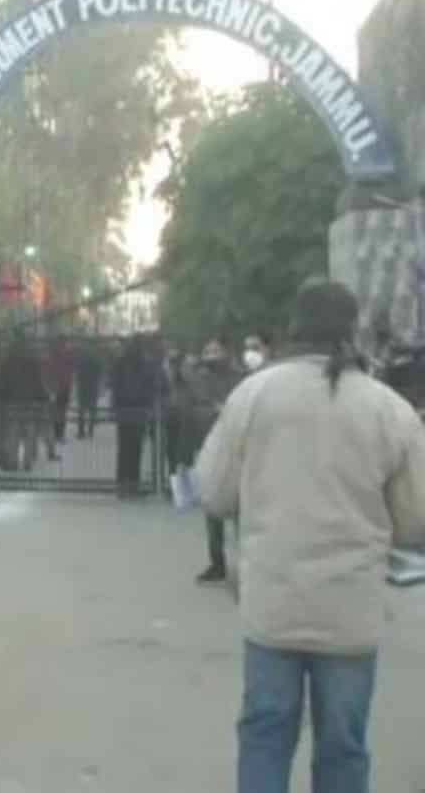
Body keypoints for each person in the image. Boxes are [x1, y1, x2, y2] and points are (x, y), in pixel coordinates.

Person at [196, 280, 425, 793]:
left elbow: (213, 490)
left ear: (293, 326)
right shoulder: (388, 409)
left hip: (273, 608)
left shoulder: (254, 396)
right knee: (343, 747)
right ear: (352, 329)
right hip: (350, 612)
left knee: (265, 735)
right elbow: (415, 518)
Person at [192, 338, 243, 584]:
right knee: (212, 509)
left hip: (238, 451)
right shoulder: (200, 379)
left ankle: (247, 562)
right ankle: (217, 562)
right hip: (212, 449)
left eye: (216, 350)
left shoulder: (239, 378)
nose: (213, 355)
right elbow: (195, 411)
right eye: (209, 350)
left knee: (242, 510)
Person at [109, 334, 156, 499]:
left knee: (125, 448)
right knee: (134, 448)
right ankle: (131, 485)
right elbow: (150, 386)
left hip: (126, 409)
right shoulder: (144, 362)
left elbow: (114, 385)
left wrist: (114, 407)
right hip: (137, 409)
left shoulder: (121, 361)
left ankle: (123, 486)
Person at [46, 336, 76, 444]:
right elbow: (71, 369)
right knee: (61, 411)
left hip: (57, 386)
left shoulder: (53, 354)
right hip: (63, 386)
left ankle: (56, 434)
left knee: (57, 411)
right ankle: (59, 434)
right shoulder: (67, 354)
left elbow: (49, 369)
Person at [74, 338, 103, 439]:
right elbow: (100, 371)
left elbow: (77, 369)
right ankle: (90, 430)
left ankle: (81, 431)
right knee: (92, 408)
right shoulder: (96, 357)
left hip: (83, 385)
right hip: (92, 385)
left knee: (82, 409)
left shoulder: (81, 356)